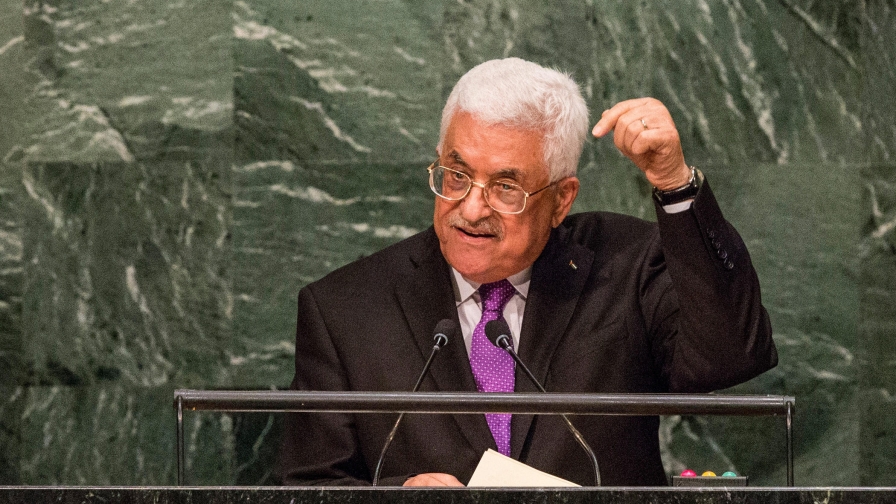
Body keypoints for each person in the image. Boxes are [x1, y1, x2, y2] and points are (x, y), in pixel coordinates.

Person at [276, 58, 777, 487]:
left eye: (505, 188)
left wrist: (673, 183)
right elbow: (308, 487)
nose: (471, 209)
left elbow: (729, 356)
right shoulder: (346, 311)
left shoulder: (625, 268)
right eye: (456, 176)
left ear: (561, 200)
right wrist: (396, 494)